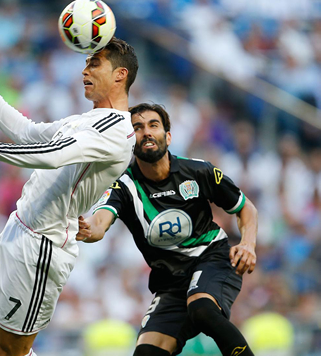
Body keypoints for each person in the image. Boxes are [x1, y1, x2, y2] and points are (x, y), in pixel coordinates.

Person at [0, 37, 139, 356]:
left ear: (120, 75)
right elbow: (28, 132)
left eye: (94, 64)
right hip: (19, 227)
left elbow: (53, 154)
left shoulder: (117, 130)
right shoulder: (88, 119)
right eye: (85, 63)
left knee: (12, 351)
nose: (84, 70)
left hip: (41, 246)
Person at [77, 103, 258, 356]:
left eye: (154, 125)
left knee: (202, 307)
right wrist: (86, 229)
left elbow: (245, 208)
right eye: (137, 128)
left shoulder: (198, 171)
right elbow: (99, 223)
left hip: (212, 258)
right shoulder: (124, 186)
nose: (147, 132)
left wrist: (248, 243)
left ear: (168, 136)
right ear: (130, 140)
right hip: (171, 283)